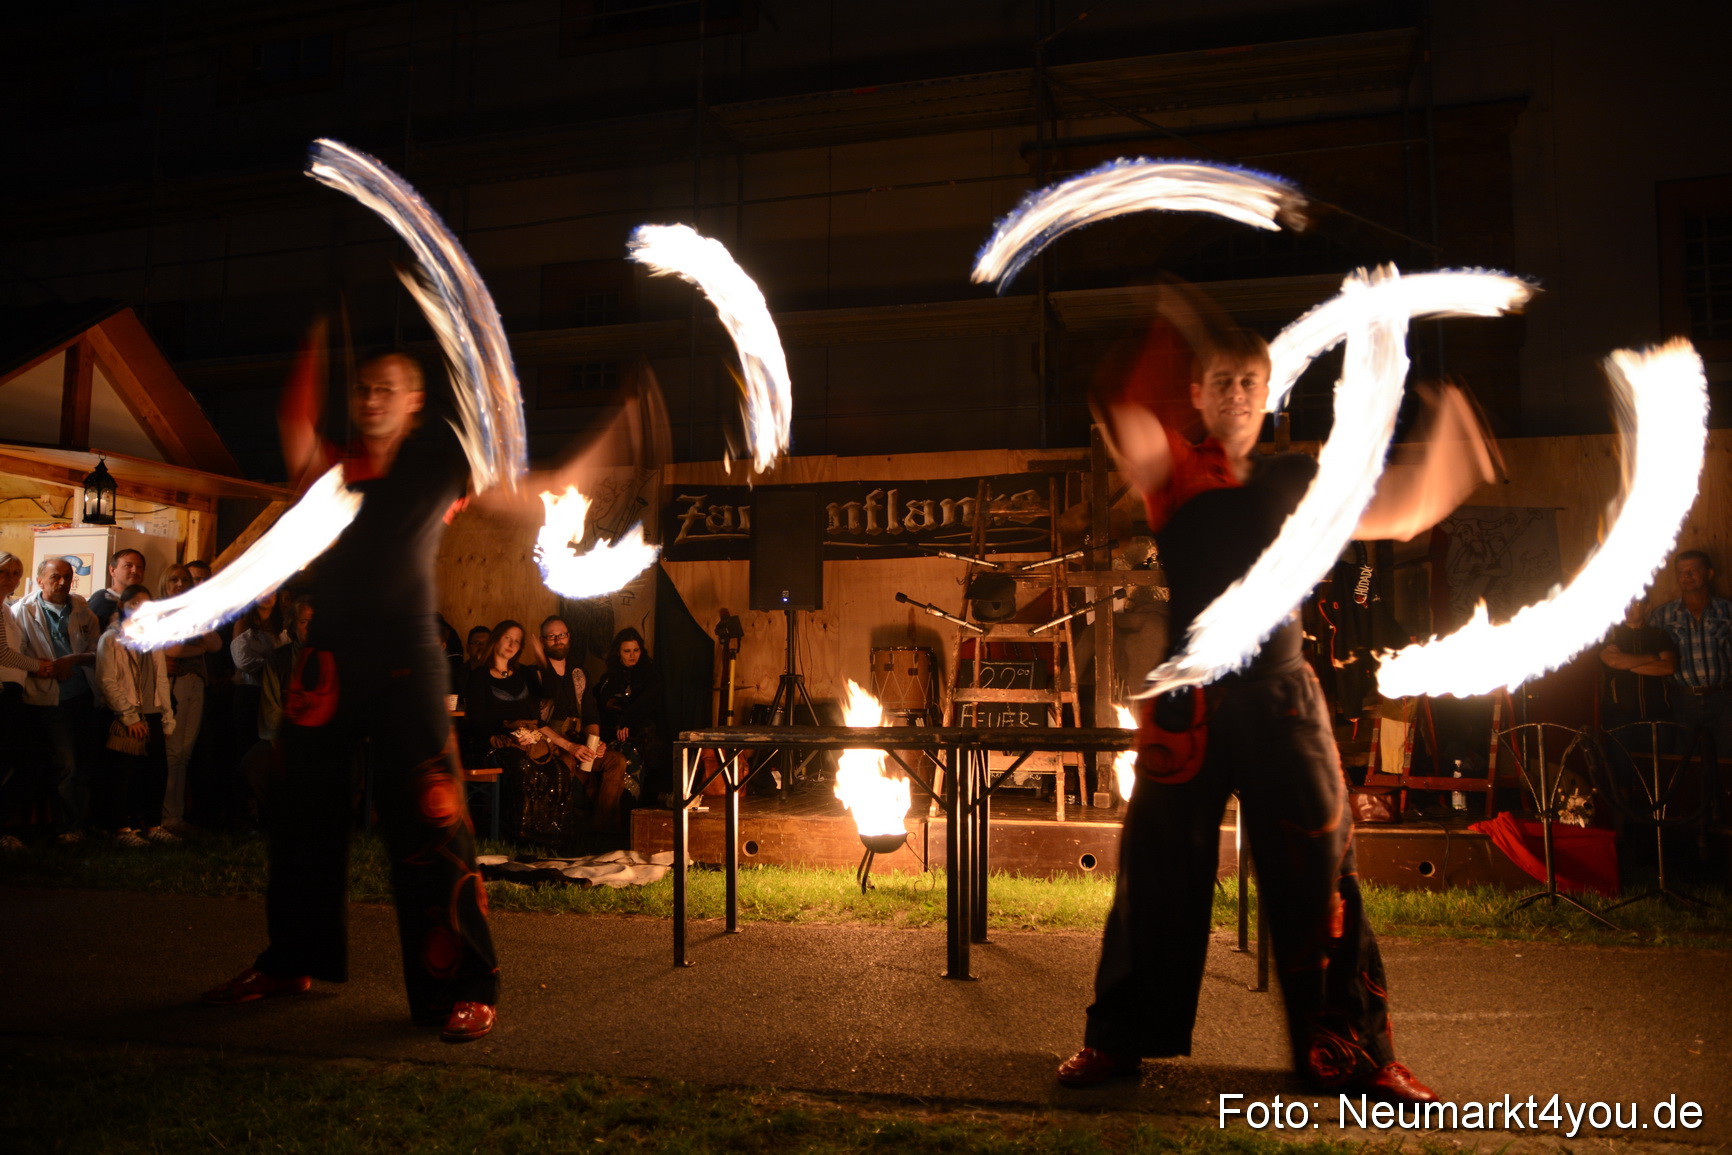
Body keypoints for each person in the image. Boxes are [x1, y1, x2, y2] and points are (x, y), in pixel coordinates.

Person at [1057, 326, 1494, 1100]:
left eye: (1249, 384)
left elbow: (1398, 511)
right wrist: (1153, 332)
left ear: (1269, 394)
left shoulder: (1297, 478)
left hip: (1282, 698)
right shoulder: (1175, 469)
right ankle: (1116, 1041)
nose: (1235, 396)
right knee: (1155, 872)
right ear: (1196, 394)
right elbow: (1113, 410)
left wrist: (1454, 441)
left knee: (1323, 874)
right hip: (1188, 702)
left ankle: (1352, 1053)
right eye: (1219, 382)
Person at [202, 349, 499, 1044]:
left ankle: (464, 983)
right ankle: (291, 961)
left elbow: (517, 482)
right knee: (302, 808)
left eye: (387, 388)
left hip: (407, 659)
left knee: (433, 817)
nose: (371, 397)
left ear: (415, 400)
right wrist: (312, 344)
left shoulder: (439, 464)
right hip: (328, 657)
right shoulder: (331, 468)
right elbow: (293, 423)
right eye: (363, 387)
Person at [12, 557, 102, 844]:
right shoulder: (20, 612)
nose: (62, 583)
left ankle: (83, 822)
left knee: (86, 761)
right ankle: (66, 827)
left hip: (82, 695)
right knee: (65, 763)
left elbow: (97, 652)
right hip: (49, 699)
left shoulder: (83, 610)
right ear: (40, 580)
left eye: (67, 576)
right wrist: (46, 667)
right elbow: (17, 654)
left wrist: (73, 659)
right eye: (55, 577)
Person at [95, 584, 177, 847]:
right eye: (134, 605)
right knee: (123, 773)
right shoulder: (111, 639)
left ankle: (152, 824)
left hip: (151, 712)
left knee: (156, 771)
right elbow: (107, 680)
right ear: (122, 606)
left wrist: (166, 716)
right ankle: (121, 828)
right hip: (127, 713)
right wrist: (128, 715)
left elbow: (161, 680)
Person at [535, 615, 630, 834]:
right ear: (543, 641)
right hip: (550, 742)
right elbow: (536, 721)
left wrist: (595, 744)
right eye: (551, 636)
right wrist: (570, 747)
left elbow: (591, 716)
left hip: (578, 740)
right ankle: (562, 829)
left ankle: (601, 830)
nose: (558, 640)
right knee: (567, 761)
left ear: (569, 637)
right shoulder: (535, 674)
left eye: (562, 635)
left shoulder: (579, 674)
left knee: (616, 761)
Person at [1633, 550, 1732, 758]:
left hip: (1724, 698)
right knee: (1685, 761)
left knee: (1726, 758)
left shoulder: (1727, 610)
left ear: (1709, 574)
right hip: (1681, 699)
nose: (1687, 576)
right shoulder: (1662, 615)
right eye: (1681, 572)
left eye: (1693, 571)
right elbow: (1646, 653)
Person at [159, 564, 221, 835]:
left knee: (184, 753)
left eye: (185, 580)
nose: (180, 584)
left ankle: (176, 815)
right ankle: (166, 816)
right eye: (174, 580)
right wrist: (197, 648)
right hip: (176, 684)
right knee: (173, 753)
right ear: (165, 583)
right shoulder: (161, 610)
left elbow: (216, 644)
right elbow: (174, 650)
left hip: (196, 683)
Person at [0, 551, 56, 853]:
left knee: (25, 763)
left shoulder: (7, 608)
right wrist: (39, 666)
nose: (11, 578)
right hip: (3, 692)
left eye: (16, 573)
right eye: (5, 572)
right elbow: (3, 654)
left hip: (12, 692)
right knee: (25, 762)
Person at [593, 627, 669, 806]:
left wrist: (627, 721)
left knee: (633, 757)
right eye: (627, 651)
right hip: (610, 735)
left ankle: (630, 807)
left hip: (643, 736)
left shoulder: (650, 676)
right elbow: (599, 705)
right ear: (618, 653)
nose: (632, 655)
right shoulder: (609, 679)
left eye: (636, 650)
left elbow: (646, 703)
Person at [227, 594, 280, 833]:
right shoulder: (243, 625)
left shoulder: (280, 626)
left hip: (271, 695)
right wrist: (272, 667)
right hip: (249, 693)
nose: (269, 596)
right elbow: (242, 660)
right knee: (246, 750)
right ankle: (244, 814)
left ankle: (266, 812)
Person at [87, 549, 146, 632]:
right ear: (112, 570)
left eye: (139, 567)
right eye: (128, 566)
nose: (134, 571)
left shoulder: (146, 603)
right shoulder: (101, 600)